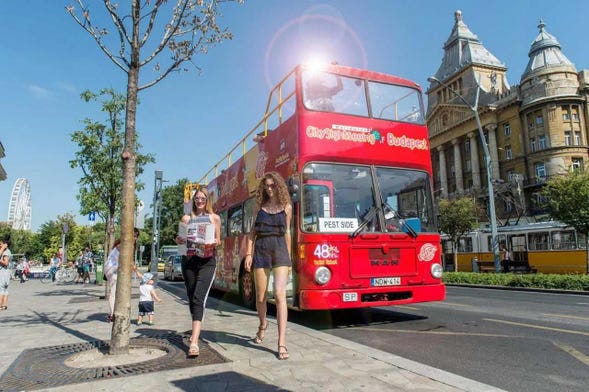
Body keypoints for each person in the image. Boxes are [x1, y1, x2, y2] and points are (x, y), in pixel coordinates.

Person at [245, 172, 292, 360]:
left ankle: (281, 343)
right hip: (261, 249)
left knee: (280, 295)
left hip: (280, 250)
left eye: (273, 185)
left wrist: (289, 259)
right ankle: (263, 324)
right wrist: (248, 253)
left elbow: (287, 232)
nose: (270, 189)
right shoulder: (259, 208)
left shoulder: (286, 207)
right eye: (267, 186)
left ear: (278, 186)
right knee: (260, 296)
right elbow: (251, 234)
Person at [176, 186, 220, 357]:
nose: (200, 201)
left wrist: (212, 243)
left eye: (203, 198)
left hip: (207, 262)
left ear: (207, 200)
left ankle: (194, 342)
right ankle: (196, 325)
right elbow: (180, 242)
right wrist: (180, 239)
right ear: (194, 201)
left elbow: (218, 240)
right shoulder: (186, 219)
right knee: (191, 297)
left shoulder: (214, 218)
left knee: (198, 298)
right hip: (189, 261)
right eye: (197, 198)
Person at [103, 228, 140, 323]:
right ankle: (112, 314)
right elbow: (126, 258)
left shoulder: (124, 244)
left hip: (114, 268)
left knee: (117, 291)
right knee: (114, 291)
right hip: (113, 269)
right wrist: (135, 269)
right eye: (133, 236)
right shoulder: (123, 245)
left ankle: (114, 313)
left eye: (136, 236)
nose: (134, 238)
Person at [0, 235, 12, 310]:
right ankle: (3, 305)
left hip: (3, 272)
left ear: (5, 244)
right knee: (5, 289)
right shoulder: (7, 251)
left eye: (0, 244)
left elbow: (6, 263)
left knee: (1, 289)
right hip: (6, 272)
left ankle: (0, 305)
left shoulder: (6, 252)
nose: (0, 245)